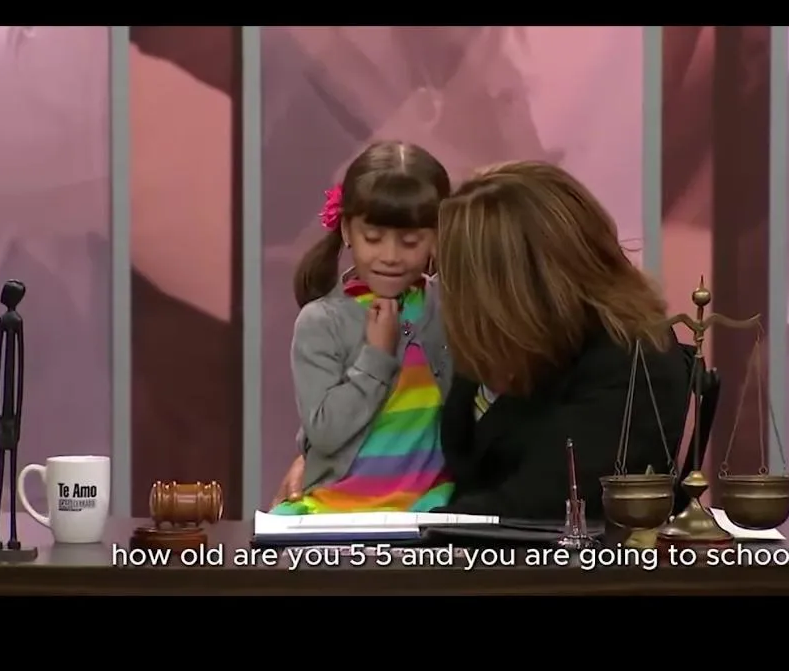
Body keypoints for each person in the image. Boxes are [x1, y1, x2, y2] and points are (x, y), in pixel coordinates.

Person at [276, 161, 690, 520]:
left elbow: (536, 506)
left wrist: (393, 531)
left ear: (515, 284)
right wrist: (343, 470)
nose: (446, 292)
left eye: (456, 277)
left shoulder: (632, 361)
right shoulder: (506, 341)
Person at [270, 141, 454, 515]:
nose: (390, 256)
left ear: (436, 236)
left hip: (430, 507)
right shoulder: (323, 322)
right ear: (347, 231)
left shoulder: (447, 306)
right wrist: (376, 358)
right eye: (373, 238)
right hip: (334, 509)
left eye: (410, 241)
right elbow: (325, 432)